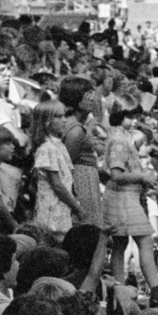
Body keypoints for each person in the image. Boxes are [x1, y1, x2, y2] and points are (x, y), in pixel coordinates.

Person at [102, 97, 158, 315]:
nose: (134, 121)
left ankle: (121, 289)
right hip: (122, 197)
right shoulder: (118, 140)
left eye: (135, 116)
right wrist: (142, 177)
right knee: (144, 240)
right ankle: (155, 291)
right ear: (118, 117)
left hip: (127, 196)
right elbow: (116, 174)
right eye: (129, 116)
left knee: (120, 243)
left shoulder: (123, 137)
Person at [29, 100, 82, 241]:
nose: (64, 120)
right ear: (46, 121)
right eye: (59, 117)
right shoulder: (47, 148)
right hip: (52, 209)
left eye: (64, 115)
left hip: (63, 207)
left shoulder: (59, 145)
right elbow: (57, 185)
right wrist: (77, 207)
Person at [58, 76, 105, 229]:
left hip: (86, 178)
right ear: (75, 99)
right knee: (90, 229)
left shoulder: (77, 125)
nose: (93, 98)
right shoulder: (75, 130)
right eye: (86, 94)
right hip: (82, 181)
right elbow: (67, 167)